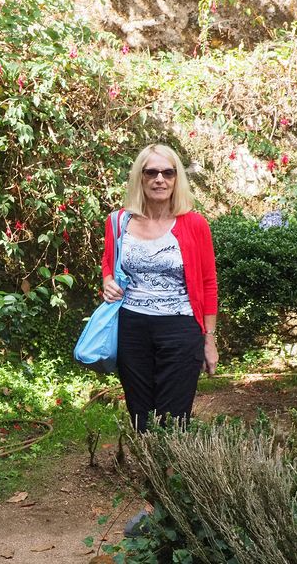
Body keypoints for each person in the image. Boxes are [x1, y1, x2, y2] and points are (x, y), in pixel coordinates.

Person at [101, 143, 218, 434]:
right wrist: (107, 282)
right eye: (151, 172)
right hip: (132, 328)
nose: (159, 179)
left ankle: (169, 475)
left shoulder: (194, 224)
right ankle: (149, 474)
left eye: (168, 172)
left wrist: (210, 339)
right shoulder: (118, 222)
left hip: (180, 328)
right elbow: (108, 263)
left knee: (174, 418)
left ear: (177, 178)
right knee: (140, 414)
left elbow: (208, 283)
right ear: (140, 177)